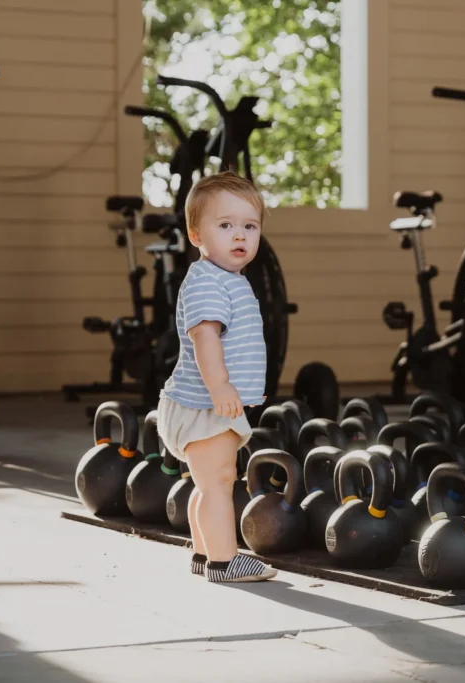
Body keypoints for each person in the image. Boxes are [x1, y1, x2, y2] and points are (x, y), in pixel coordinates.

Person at [157, 171, 277, 583]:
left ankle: (203, 554)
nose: (239, 235)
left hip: (201, 403)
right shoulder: (208, 282)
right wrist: (221, 388)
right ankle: (225, 562)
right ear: (196, 235)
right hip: (203, 404)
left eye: (249, 226)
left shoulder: (227, 279)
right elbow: (205, 338)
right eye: (225, 225)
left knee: (206, 483)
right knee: (219, 482)